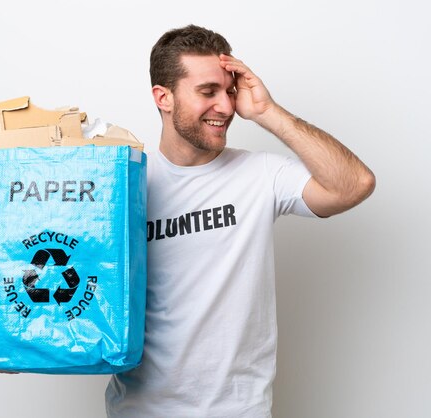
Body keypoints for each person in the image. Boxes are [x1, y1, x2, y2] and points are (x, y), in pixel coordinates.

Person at [105, 24, 375, 418]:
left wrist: (267, 112)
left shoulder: (260, 175)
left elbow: (354, 185)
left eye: (229, 91)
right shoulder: (125, 185)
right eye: (207, 92)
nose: (228, 107)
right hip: (139, 410)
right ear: (163, 97)